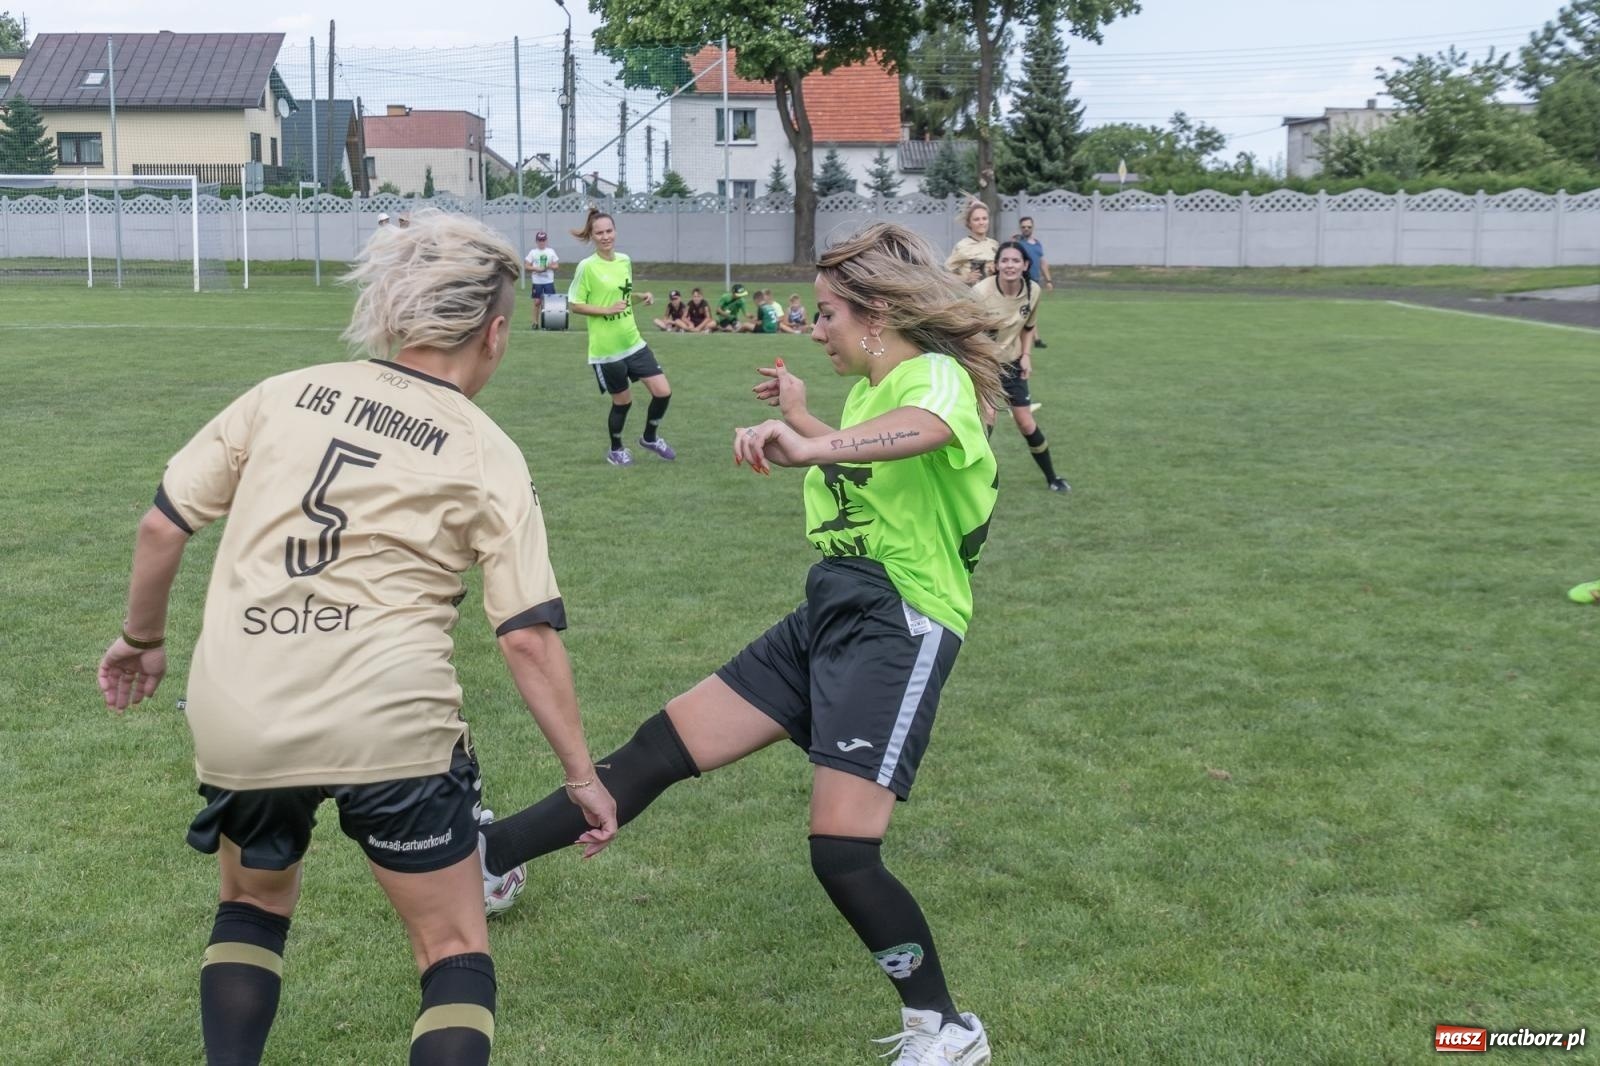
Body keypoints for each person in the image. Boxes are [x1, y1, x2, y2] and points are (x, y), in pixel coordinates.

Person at [94, 211, 619, 1066]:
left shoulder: (284, 392)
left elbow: (162, 529)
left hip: (242, 711)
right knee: (452, 950)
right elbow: (526, 636)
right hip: (391, 723)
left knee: (253, 908)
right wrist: (579, 776)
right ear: (491, 335)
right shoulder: (488, 450)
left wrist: (141, 640)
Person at [479, 222, 1004, 1066]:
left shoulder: (930, 376)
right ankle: (492, 858)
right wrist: (804, 417)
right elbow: (876, 454)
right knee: (658, 748)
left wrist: (812, 443)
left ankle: (943, 1025)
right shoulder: (874, 389)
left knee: (842, 850)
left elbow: (925, 429)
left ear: (875, 315)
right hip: (830, 606)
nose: (816, 326)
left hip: (897, 623)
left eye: (827, 313)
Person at [567, 207, 675, 466]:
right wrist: (605, 310)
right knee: (623, 402)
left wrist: (640, 297)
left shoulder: (624, 260)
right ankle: (616, 450)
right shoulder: (587, 267)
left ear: (615, 232)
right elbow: (574, 304)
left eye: (609, 231)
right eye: (599, 233)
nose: (605, 237)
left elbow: (622, 298)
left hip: (633, 342)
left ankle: (650, 437)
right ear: (592, 236)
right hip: (607, 350)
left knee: (663, 392)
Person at [973, 241, 1070, 493]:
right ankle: (972, 482)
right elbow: (964, 332)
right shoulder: (981, 292)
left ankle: (1052, 478)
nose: (1010, 265)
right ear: (996, 265)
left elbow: (1028, 327)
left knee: (1025, 423)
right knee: (988, 418)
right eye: (1004, 260)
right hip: (984, 364)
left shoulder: (1032, 290)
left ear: (1025, 265)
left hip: (1012, 363)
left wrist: (1026, 354)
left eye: (1015, 260)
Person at [1012, 215, 1054, 348]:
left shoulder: (1037, 244)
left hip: (1035, 282)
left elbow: (1042, 263)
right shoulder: (1018, 243)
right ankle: (1034, 340)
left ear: (1032, 227)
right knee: (1025, 310)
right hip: (1021, 282)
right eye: (1023, 227)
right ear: (1020, 228)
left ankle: (1034, 339)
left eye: (1028, 227)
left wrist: (1048, 280)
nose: (1026, 229)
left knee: (1029, 311)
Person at [945, 200, 998, 287]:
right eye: (976, 219)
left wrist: (995, 271)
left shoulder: (994, 244)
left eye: (984, 218)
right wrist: (965, 278)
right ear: (969, 223)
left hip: (993, 295)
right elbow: (946, 275)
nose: (981, 222)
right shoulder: (962, 246)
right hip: (971, 296)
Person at [524, 230, 561, 331]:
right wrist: (536, 269)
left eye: (543, 240)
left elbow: (556, 265)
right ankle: (535, 323)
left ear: (546, 241)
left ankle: (550, 323)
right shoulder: (533, 252)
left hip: (548, 281)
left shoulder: (551, 251)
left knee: (550, 303)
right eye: (540, 240)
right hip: (537, 282)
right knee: (537, 302)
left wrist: (550, 266)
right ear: (536, 241)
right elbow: (526, 266)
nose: (542, 242)